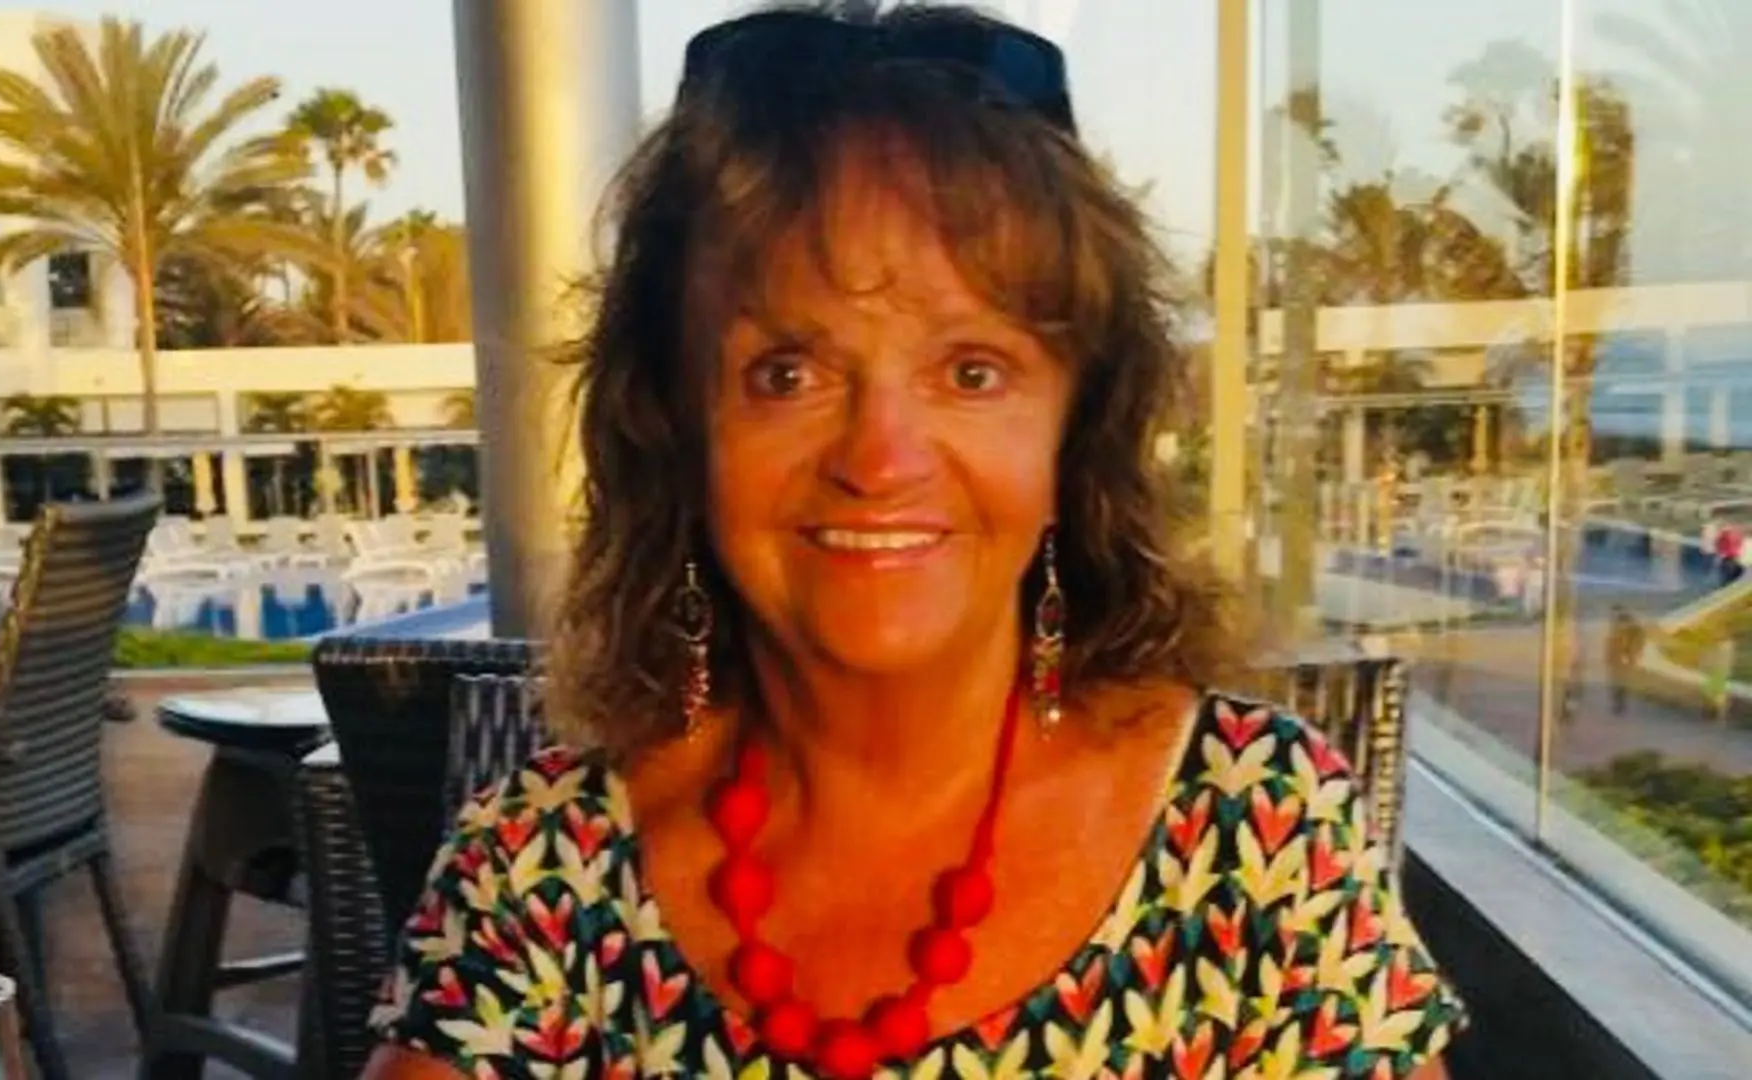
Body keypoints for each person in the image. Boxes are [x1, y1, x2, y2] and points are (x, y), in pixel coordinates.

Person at [363, 4, 1465, 1078]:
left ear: (1076, 432)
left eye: (972, 372)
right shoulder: (541, 866)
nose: (881, 458)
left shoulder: (1260, 833)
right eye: (787, 372)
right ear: (677, 427)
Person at [1604, 606, 1645, 715]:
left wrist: (1630, 655)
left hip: (1624, 658)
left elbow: (1634, 643)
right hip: (1618, 659)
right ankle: (1618, 703)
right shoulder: (1618, 626)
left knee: (1621, 683)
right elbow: (1612, 643)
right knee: (1617, 683)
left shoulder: (1630, 627)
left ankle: (1620, 704)